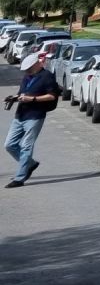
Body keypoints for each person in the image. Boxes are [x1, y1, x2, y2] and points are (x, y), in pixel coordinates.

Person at [6, 52, 60, 189]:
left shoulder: (47, 77)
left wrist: (33, 99)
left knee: (26, 146)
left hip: (35, 115)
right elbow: (21, 93)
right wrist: (13, 97)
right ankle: (30, 164)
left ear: (37, 64)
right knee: (9, 145)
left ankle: (20, 177)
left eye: (29, 68)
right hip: (21, 115)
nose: (27, 71)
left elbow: (52, 96)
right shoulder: (27, 77)